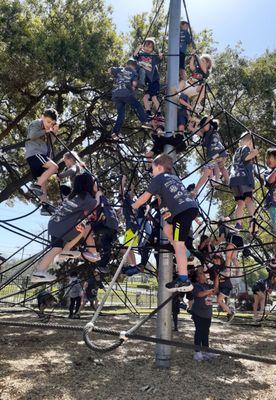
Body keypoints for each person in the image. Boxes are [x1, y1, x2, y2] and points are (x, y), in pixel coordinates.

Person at [132, 154, 199, 292]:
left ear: (160, 167)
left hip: (182, 212)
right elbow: (167, 203)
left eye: (153, 169)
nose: (152, 173)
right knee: (168, 229)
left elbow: (145, 196)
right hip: (187, 209)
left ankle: (183, 280)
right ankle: (188, 255)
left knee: (178, 243)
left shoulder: (158, 178)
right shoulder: (174, 178)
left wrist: (133, 206)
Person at [31, 173, 100, 283]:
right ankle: (72, 251)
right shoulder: (86, 197)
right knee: (85, 229)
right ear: (88, 184)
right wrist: (98, 195)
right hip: (62, 225)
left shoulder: (73, 196)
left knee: (57, 248)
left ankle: (40, 272)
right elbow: (96, 205)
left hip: (55, 223)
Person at [25, 108, 59, 216]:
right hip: (35, 154)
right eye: (48, 122)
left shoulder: (47, 130)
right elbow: (32, 135)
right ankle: (36, 186)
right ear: (42, 117)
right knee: (54, 167)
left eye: (52, 123)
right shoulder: (36, 123)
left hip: (40, 155)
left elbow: (50, 144)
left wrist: (54, 133)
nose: (49, 125)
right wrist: (47, 130)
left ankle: (44, 206)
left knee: (43, 183)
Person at [109, 59, 149, 139]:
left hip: (116, 95)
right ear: (134, 67)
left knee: (121, 114)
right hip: (126, 93)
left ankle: (115, 132)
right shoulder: (134, 72)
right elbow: (134, 84)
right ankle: (144, 121)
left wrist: (114, 75)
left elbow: (110, 70)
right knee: (138, 106)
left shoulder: (120, 69)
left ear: (126, 64)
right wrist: (135, 88)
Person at [229, 132, 258, 231]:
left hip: (234, 180)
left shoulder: (236, 152)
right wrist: (254, 153)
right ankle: (253, 220)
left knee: (240, 202)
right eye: (252, 144)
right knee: (249, 200)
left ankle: (238, 223)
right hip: (243, 179)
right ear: (249, 142)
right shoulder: (245, 148)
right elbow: (246, 157)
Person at [194, 116, 229, 192]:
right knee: (221, 167)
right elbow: (194, 130)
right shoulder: (207, 135)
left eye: (203, 126)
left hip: (216, 152)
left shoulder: (211, 129)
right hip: (221, 152)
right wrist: (191, 123)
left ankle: (217, 179)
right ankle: (228, 181)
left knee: (214, 163)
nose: (202, 128)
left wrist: (209, 118)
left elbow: (206, 123)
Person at [89, 187, 119, 274]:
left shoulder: (99, 196)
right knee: (105, 244)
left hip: (109, 225)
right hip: (112, 226)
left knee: (89, 227)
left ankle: (90, 248)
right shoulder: (105, 200)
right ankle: (102, 265)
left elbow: (96, 206)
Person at [190, 269, 218, 361]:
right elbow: (199, 294)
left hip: (207, 313)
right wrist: (210, 291)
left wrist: (217, 276)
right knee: (199, 331)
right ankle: (197, 352)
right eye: (202, 274)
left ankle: (206, 350)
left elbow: (215, 289)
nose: (204, 275)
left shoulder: (207, 285)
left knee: (206, 332)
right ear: (198, 278)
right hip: (198, 313)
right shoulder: (196, 285)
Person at [134, 37, 163, 117]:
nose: (147, 48)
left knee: (154, 97)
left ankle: (159, 113)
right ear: (143, 46)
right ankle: (148, 112)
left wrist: (160, 56)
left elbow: (159, 59)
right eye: (146, 46)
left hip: (154, 81)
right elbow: (134, 56)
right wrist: (138, 48)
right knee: (145, 98)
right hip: (147, 81)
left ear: (152, 49)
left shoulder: (153, 56)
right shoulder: (141, 55)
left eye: (150, 47)